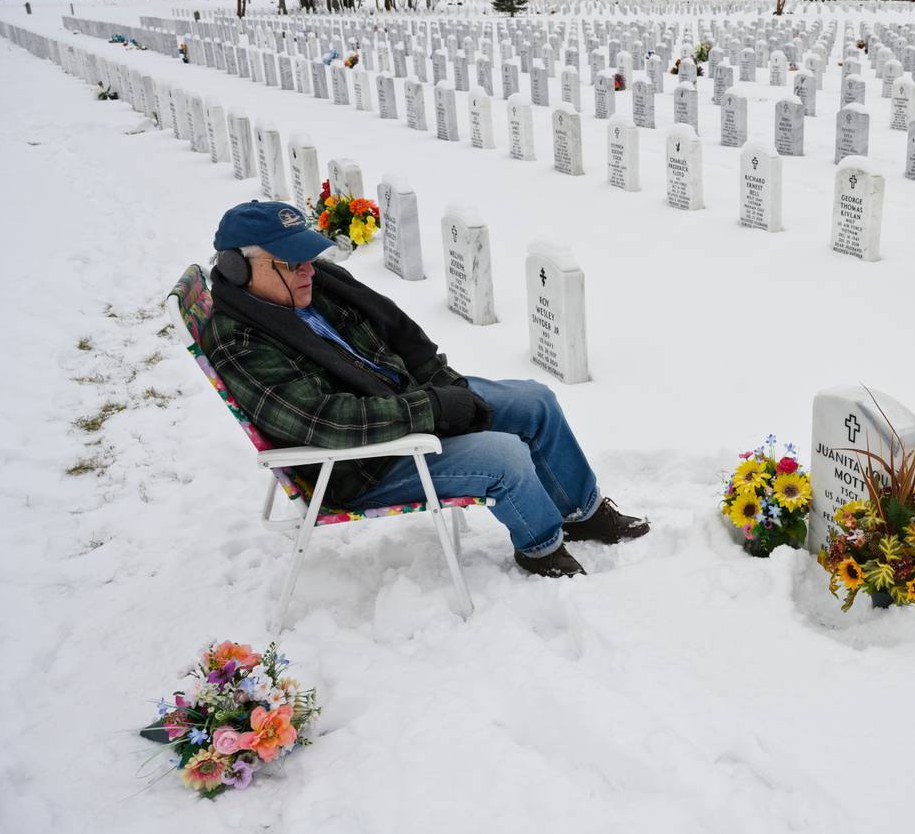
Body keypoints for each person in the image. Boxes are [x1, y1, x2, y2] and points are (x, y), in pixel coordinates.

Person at [199, 200, 647, 577]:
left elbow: (400, 338)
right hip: (362, 462)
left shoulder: (317, 289)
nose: (307, 272)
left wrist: (444, 385)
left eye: (308, 259)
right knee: (505, 455)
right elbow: (326, 422)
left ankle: (582, 515)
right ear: (239, 269)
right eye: (290, 263)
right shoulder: (240, 340)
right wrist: (432, 408)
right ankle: (541, 546)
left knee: (535, 401)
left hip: (406, 401)